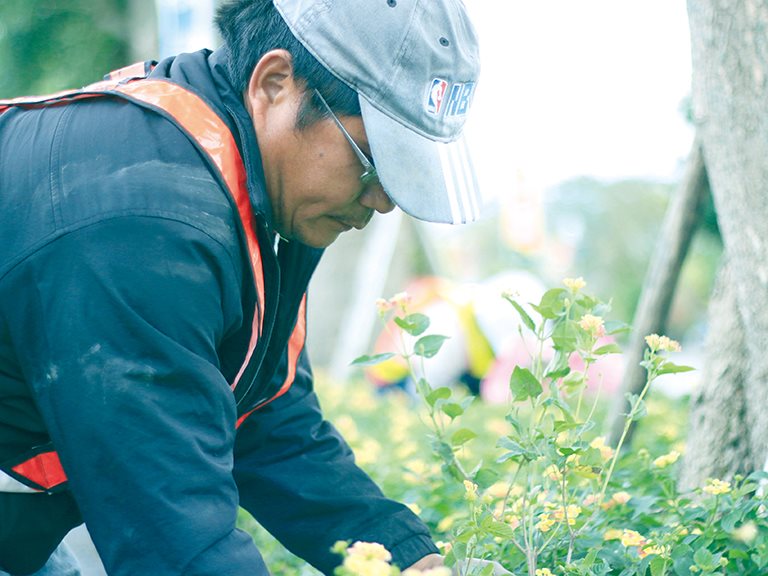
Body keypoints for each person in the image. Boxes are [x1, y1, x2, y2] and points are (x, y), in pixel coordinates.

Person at [0, 1, 504, 574]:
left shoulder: (255, 188)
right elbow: (173, 536)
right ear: (273, 84)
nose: (383, 201)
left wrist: (405, 557)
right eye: (373, 162)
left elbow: (262, 414)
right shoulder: (142, 222)